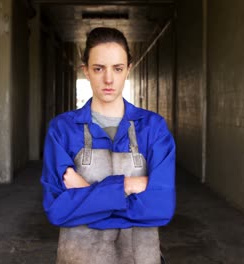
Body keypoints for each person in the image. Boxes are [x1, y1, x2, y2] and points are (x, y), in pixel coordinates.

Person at [41, 27, 176, 264]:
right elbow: (57, 209)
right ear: (86, 71)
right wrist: (128, 185)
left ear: (128, 70)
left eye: (117, 68)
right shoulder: (62, 130)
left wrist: (85, 194)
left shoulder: (153, 128)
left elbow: (161, 207)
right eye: (98, 68)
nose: (108, 79)